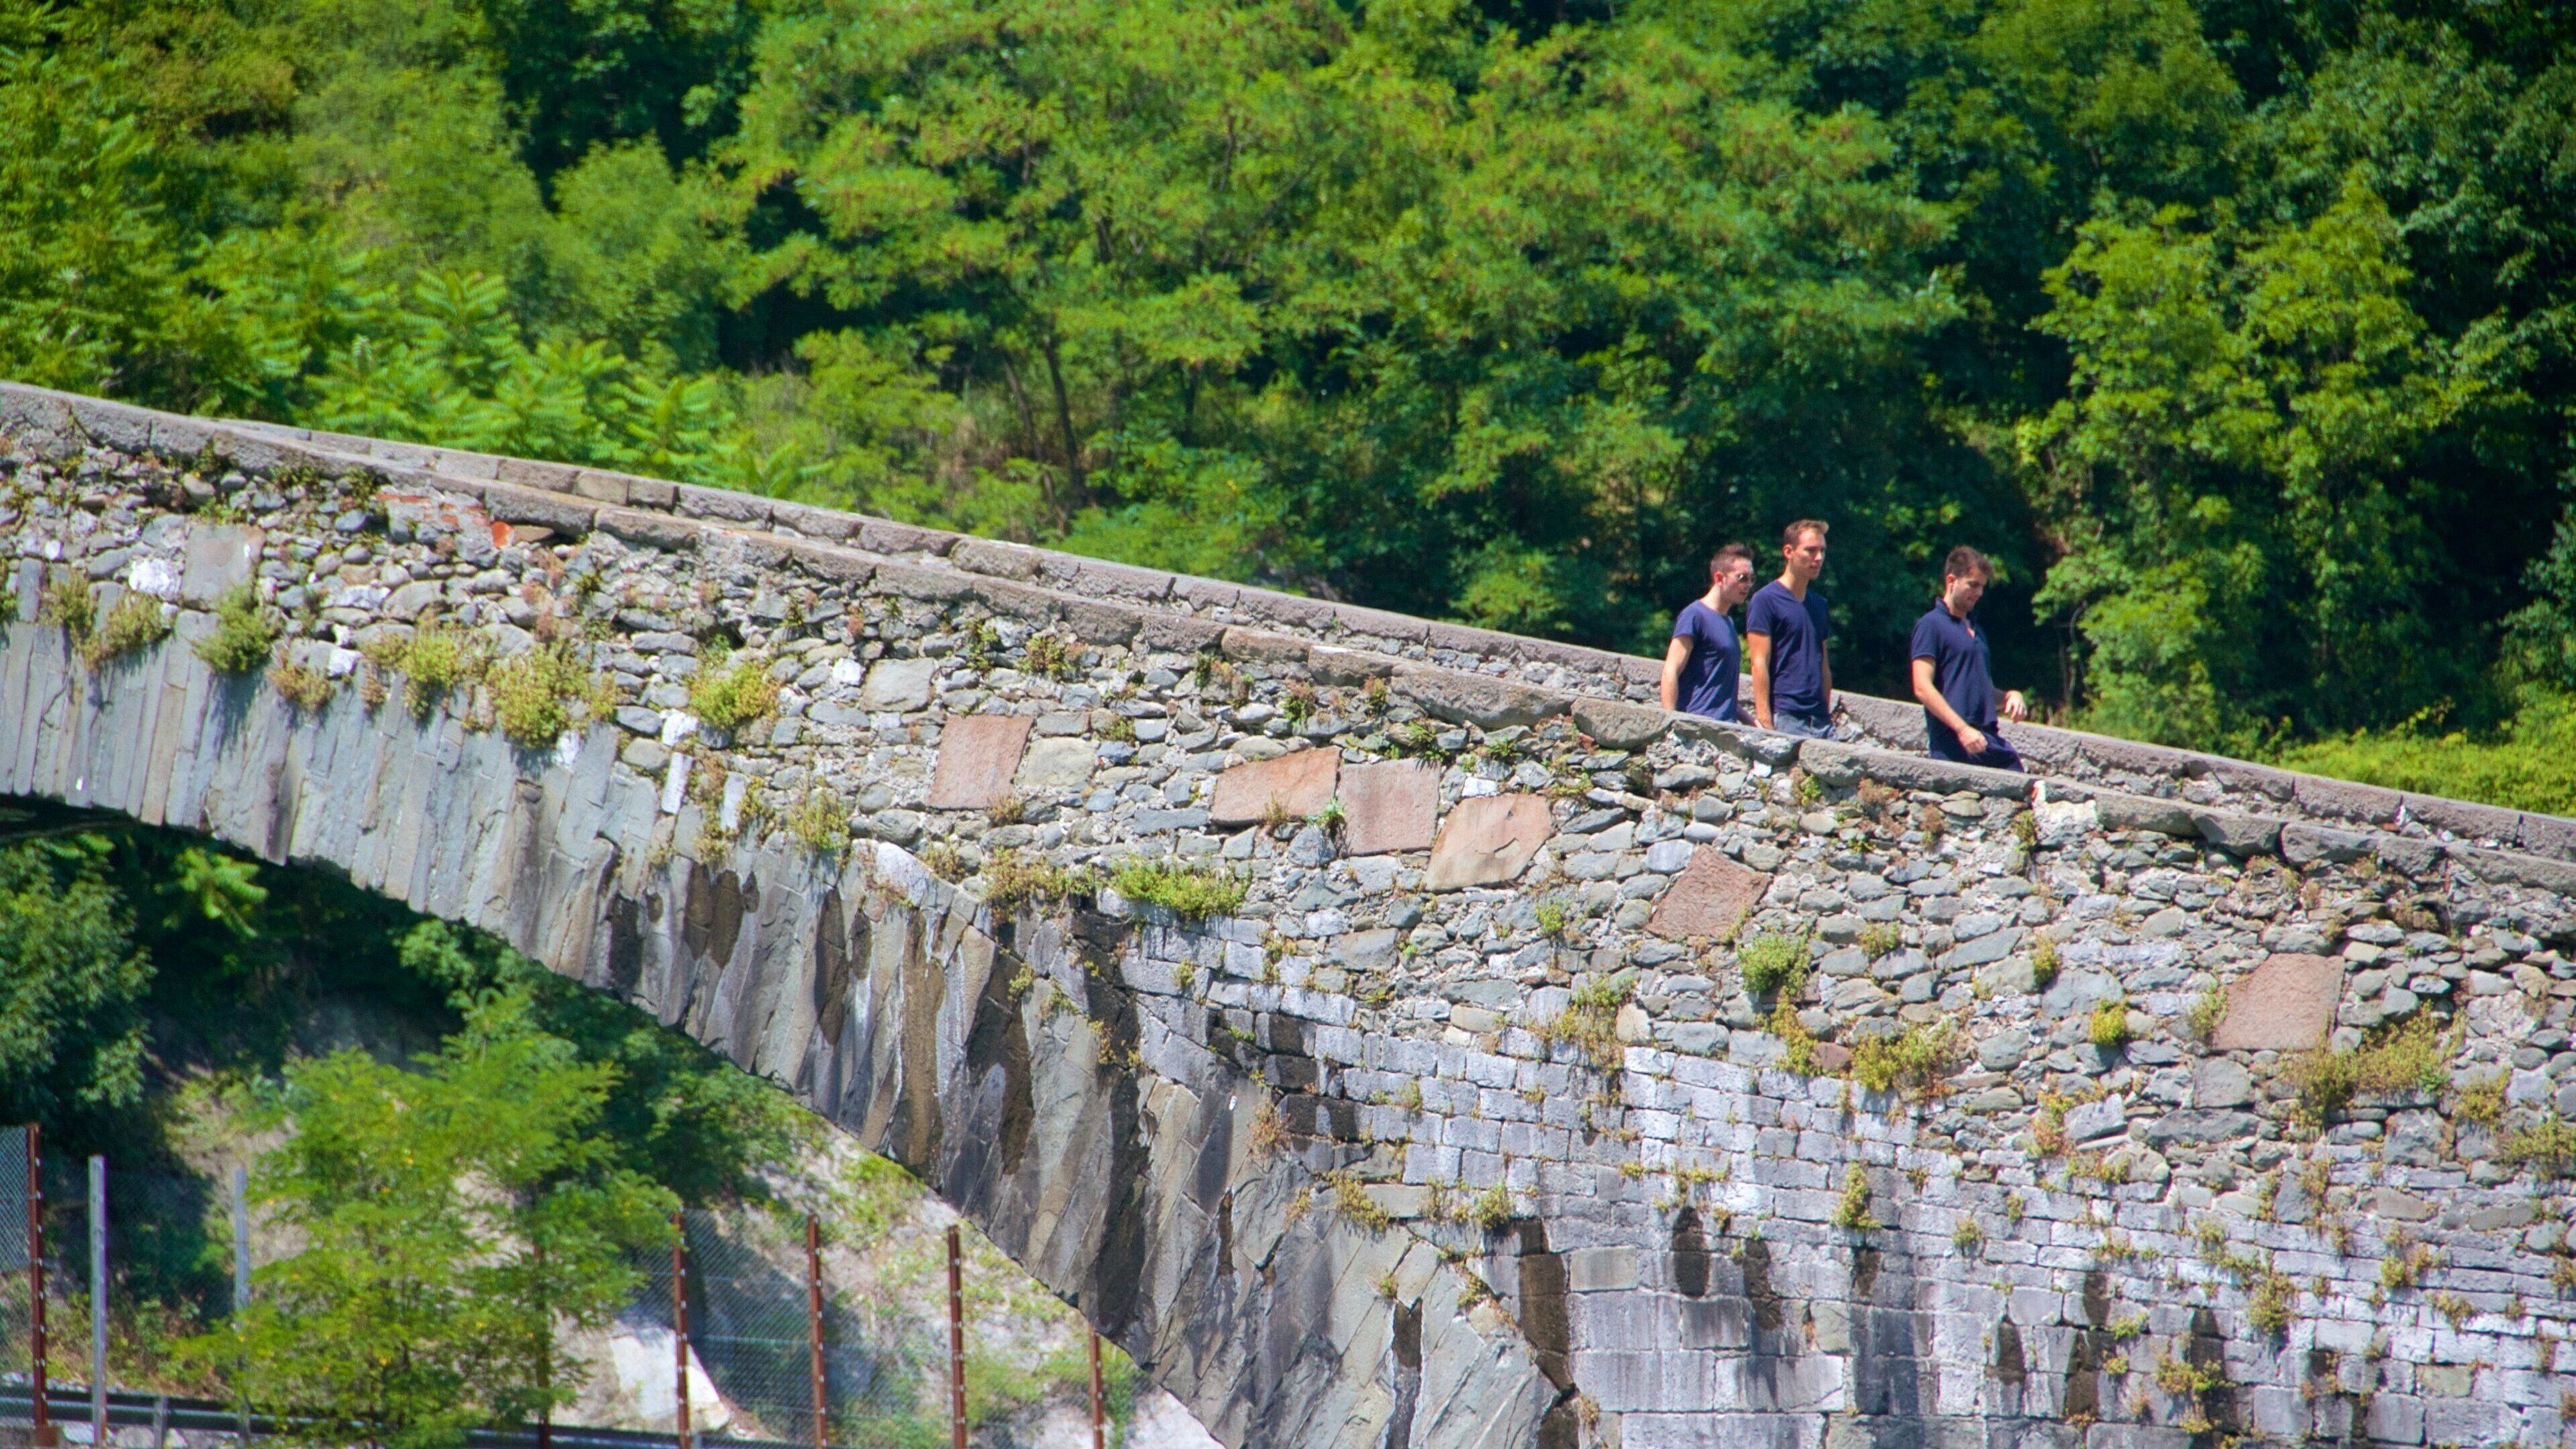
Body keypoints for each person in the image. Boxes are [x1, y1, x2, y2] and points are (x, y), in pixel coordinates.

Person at [1910, 545, 2028, 770]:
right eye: (1972, 585)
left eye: (1982, 587)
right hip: (1954, 742)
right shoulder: (1931, 625)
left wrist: (2010, 697)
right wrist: (1962, 729)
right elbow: (1922, 687)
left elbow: (1980, 693)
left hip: (1986, 739)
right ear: (1951, 581)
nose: (1978, 593)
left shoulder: (1977, 631)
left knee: (2021, 781)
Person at [1746, 520, 1836, 737]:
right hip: (1787, 714)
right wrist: (1765, 720)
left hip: (1820, 718)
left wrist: (1825, 709)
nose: (1819, 558)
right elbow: (1759, 663)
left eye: (1822, 551)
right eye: (1811, 550)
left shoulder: (1819, 605)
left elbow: (1822, 662)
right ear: (1789, 552)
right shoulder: (1766, 600)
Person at [1660, 544, 1757, 721]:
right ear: (1719, 578)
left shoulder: (1728, 622)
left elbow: (1721, 691)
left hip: (1725, 727)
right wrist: (1671, 723)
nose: (1748, 585)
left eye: (1752, 579)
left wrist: (1751, 722)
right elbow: (1671, 670)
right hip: (1698, 724)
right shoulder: (1695, 615)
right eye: (1742, 578)